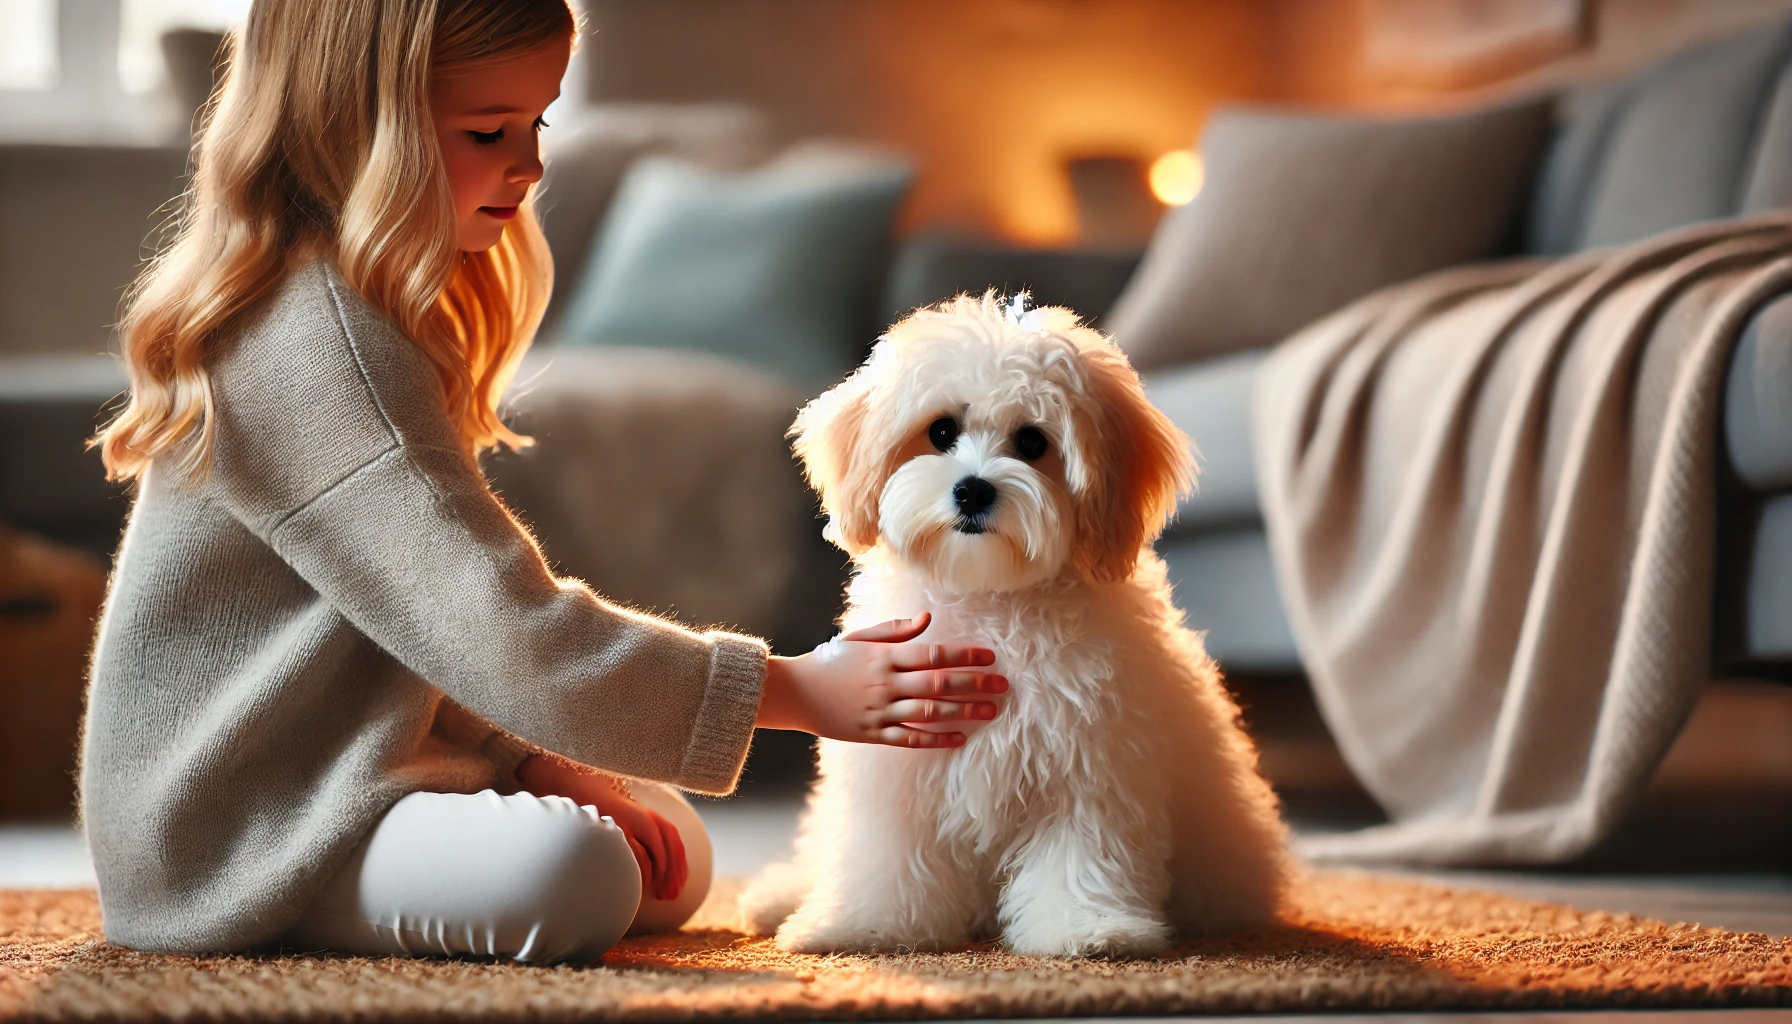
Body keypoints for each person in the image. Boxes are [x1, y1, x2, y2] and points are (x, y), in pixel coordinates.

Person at [80, 0, 1007, 964]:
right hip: (244, 824)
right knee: (582, 874)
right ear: (355, 128)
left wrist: (532, 760)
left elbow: (420, 632)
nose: (527, 165)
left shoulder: (372, 310)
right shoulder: (314, 344)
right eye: (488, 131)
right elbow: (502, 629)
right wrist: (798, 689)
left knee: (672, 852)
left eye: (537, 124)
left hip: (353, 759)